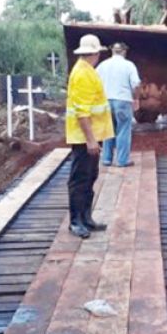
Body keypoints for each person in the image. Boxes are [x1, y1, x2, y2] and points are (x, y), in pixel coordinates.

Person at [65, 34, 115, 239]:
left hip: (91, 135)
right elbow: (82, 111)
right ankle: (76, 221)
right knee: (80, 178)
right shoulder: (82, 74)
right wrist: (91, 140)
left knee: (90, 176)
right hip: (84, 138)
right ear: (94, 53)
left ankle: (86, 218)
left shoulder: (87, 71)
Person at [97, 42, 141, 168]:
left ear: (112, 51)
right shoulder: (129, 65)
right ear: (124, 51)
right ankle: (122, 160)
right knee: (123, 129)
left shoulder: (102, 65)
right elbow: (136, 84)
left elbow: (95, 82)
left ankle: (106, 159)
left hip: (105, 100)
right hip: (123, 100)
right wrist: (136, 99)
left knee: (108, 129)